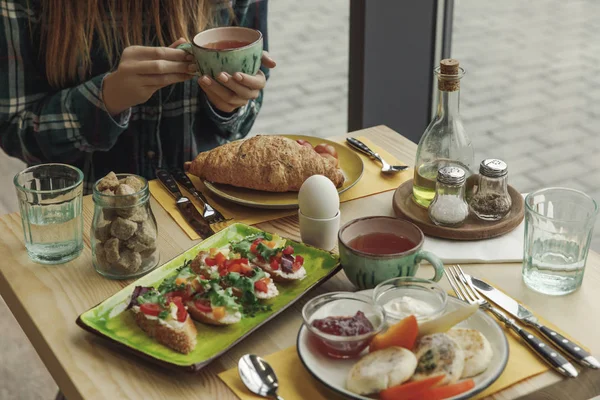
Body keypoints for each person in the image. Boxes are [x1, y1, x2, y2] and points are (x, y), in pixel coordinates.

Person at [0, 0, 276, 192]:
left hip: (204, 208)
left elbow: (243, 116)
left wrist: (231, 107)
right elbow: (13, 130)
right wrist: (106, 99)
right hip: (86, 222)